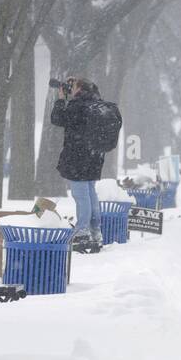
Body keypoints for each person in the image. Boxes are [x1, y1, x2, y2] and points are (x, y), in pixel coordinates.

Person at [50, 77, 122, 253]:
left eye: (72, 86)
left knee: (81, 195)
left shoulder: (78, 106)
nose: (70, 89)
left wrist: (60, 99)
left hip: (78, 157)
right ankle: (95, 232)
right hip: (95, 156)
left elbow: (57, 119)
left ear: (80, 88)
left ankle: (82, 233)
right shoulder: (97, 106)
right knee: (90, 194)